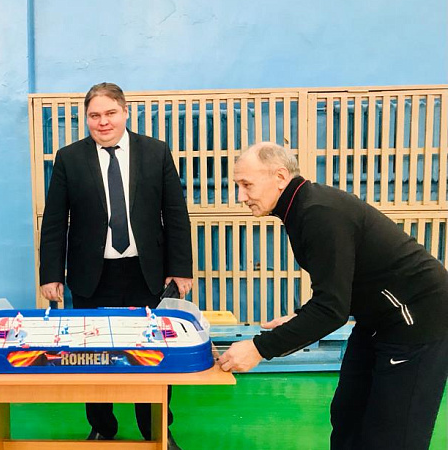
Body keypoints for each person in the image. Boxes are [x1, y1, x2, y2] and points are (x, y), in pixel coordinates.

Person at [219, 142, 448, 449]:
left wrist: (259, 348)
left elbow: (331, 311)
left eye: (246, 185)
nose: (240, 196)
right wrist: (300, 317)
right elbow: (338, 289)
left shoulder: (318, 212)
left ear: (280, 176)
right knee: (348, 415)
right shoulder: (301, 208)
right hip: (376, 319)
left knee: (393, 433)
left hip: (416, 318)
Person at [39, 82, 192, 449]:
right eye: (94, 115)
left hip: (146, 272)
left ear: (126, 112)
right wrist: (50, 274)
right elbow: (55, 220)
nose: (103, 121)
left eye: (110, 113)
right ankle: (102, 425)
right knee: (91, 355)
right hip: (92, 275)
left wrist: (181, 268)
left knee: (151, 354)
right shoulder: (69, 158)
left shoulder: (155, 152)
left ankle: (156, 428)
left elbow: (175, 213)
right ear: (86, 118)